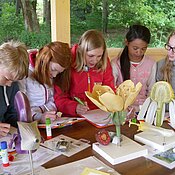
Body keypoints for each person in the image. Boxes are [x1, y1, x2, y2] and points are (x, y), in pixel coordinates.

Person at [54, 29, 115, 116]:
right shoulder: (68, 62)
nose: (95, 60)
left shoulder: (104, 62)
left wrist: (118, 104)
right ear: (80, 50)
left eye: (99, 56)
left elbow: (109, 90)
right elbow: (60, 98)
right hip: (74, 117)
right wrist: (75, 107)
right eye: (91, 56)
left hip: (99, 114)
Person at [19, 41, 71, 123]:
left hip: (48, 121)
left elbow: (52, 99)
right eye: (53, 70)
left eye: (59, 72)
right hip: (29, 123)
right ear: (45, 60)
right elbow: (21, 106)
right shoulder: (24, 72)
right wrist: (39, 116)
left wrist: (48, 113)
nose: (54, 75)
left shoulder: (52, 74)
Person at [111, 24, 156, 112]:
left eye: (143, 49)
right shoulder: (116, 64)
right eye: (135, 48)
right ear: (127, 43)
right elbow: (111, 90)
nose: (139, 52)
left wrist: (147, 107)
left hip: (144, 109)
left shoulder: (151, 64)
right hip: (121, 109)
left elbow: (152, 90)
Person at [0, 40, 29, 136]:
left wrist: (24, 127)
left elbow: (12, 114)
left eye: (13, 81)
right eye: (7, 79)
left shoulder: (12, 85)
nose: (9, 85)